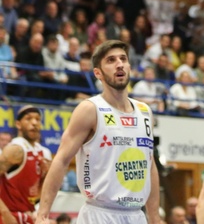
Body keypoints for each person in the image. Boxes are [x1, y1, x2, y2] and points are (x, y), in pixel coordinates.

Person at [37, 40, 160, 224]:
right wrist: (43, 214)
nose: (119, 64)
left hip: (137, 215)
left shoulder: (144, 111)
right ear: (98, 73)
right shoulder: (90, 109)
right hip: (100, 214)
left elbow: (149, 166)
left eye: (123, 59)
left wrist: (155, 218)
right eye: (111, 60)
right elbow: (61, 160)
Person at [0, 105, 52, 223]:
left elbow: (37, 194)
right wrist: (4, 212)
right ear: (18, 124)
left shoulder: (44, 153)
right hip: (8, 214)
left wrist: (46, 176)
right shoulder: (15, 149)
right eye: (28, 119)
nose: (34, 123)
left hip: (27, 215)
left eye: (38, 119)